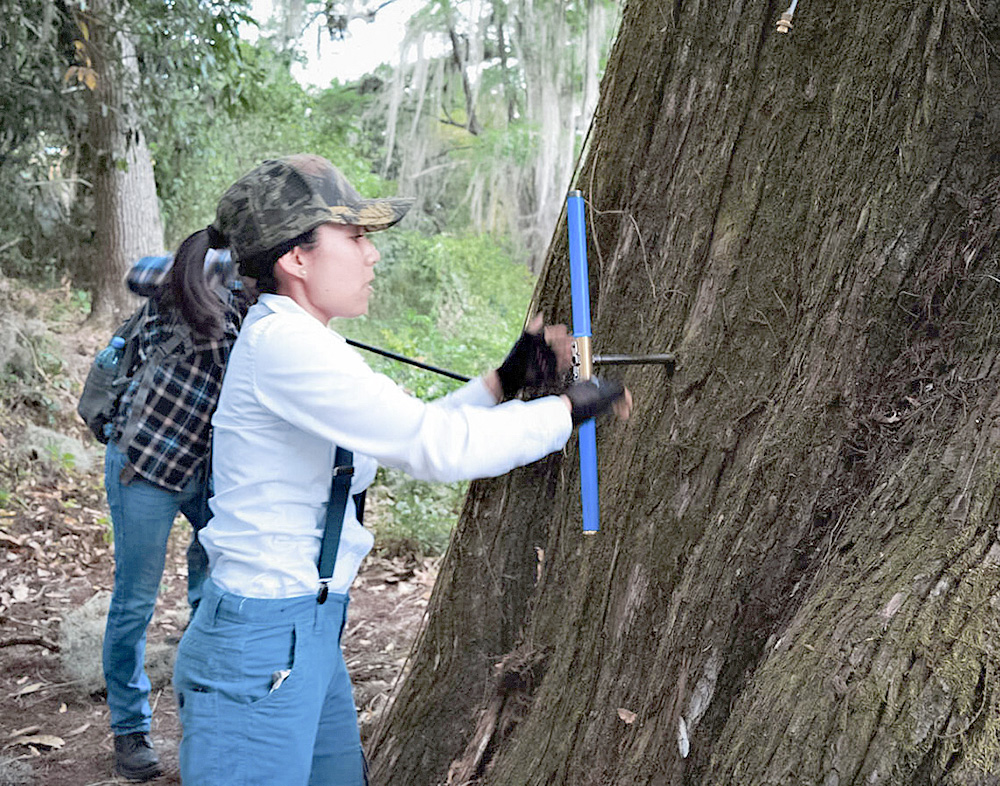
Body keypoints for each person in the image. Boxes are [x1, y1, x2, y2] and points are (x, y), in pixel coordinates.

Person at [172, 154, 632, 786]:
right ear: (295, 258)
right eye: (355, 236)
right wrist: (565, 412)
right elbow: (431, 447)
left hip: (306, 628)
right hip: (261, 642)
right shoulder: (285, 345)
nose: (372, 255)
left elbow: (374, 453)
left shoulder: (302, 338)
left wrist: (502, 382)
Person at [102, 238, 248, 781]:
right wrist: (217, 270)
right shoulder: (186, 287)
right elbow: (140, 272)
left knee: (212, 594)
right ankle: (130, 729)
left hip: (209, 476)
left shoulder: (265, 309)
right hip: (143, 463)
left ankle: (203, 718)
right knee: (135, 601)